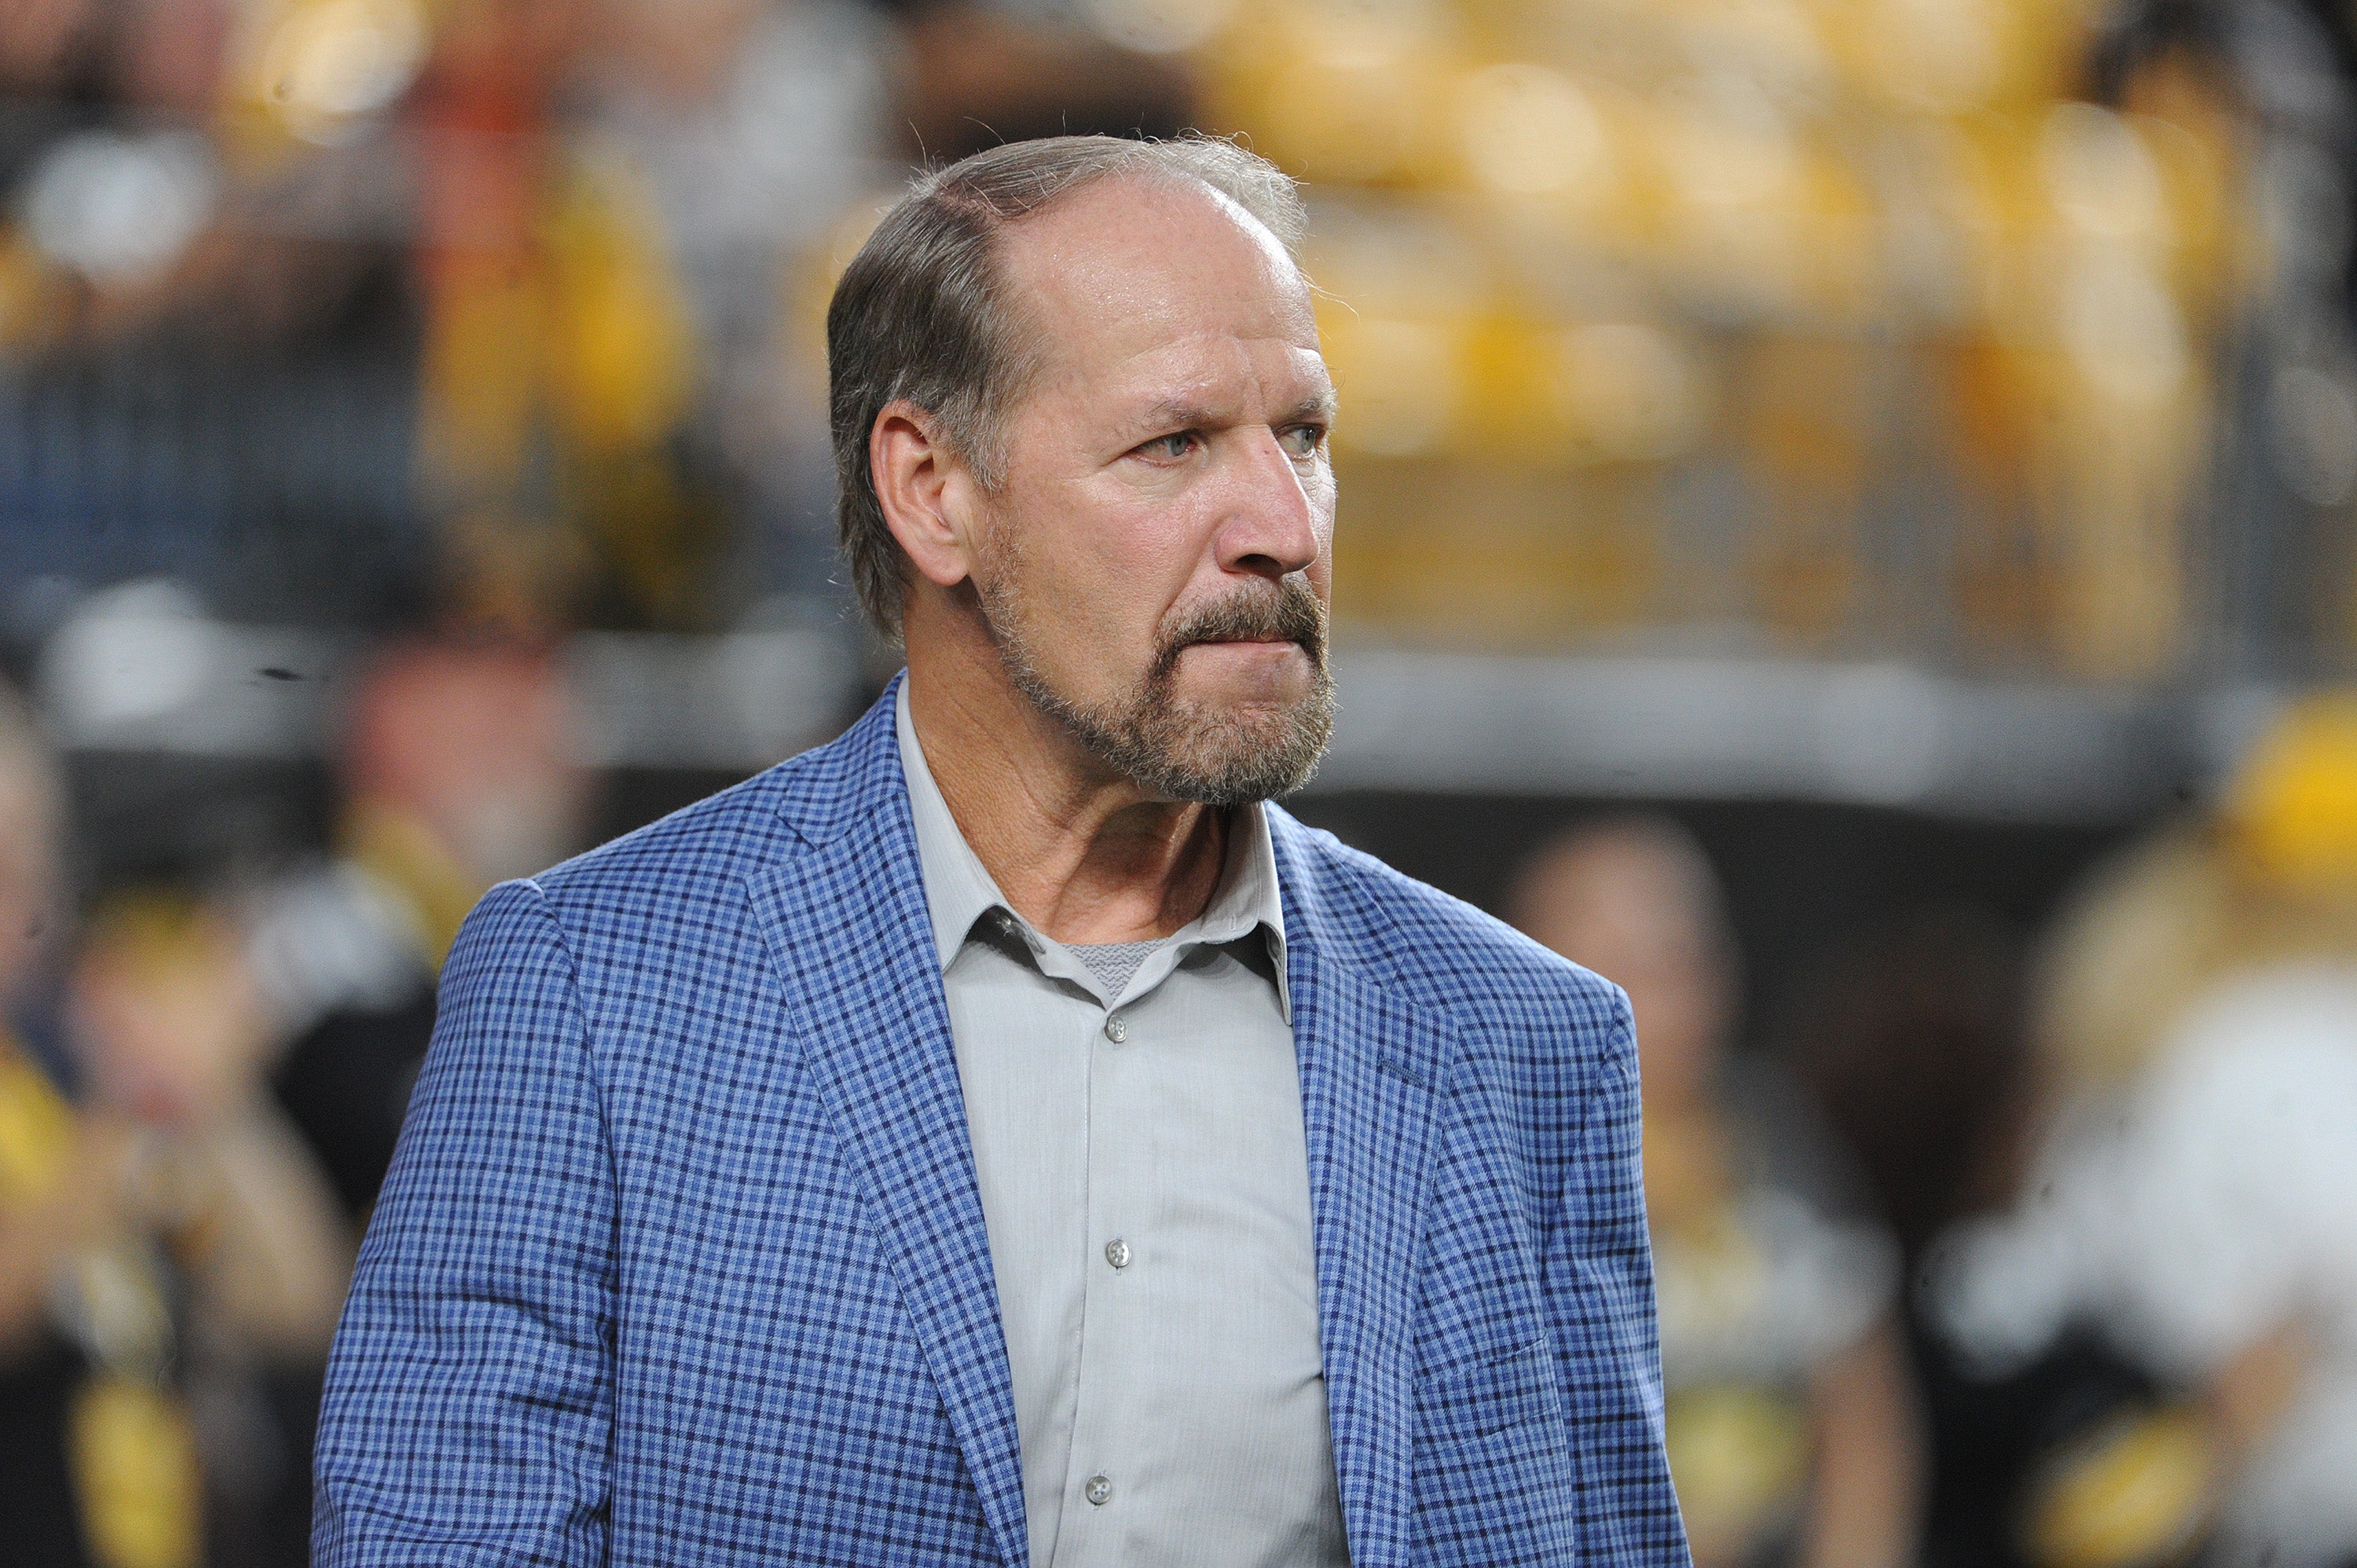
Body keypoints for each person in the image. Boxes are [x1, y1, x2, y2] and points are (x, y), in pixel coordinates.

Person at [313, 135, 1687, 1566]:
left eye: (1304, 438)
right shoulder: (593, 999)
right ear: (932, 489)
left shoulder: (1523, 1044)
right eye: (1175, 443)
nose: (1283, 526)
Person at [1511, 819, 1922, 1568]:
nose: (1658, 1009)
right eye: (1613, 972)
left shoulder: (1776, 1143)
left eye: (1682, 966)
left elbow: (1865, 1411)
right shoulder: (1491, 1175)